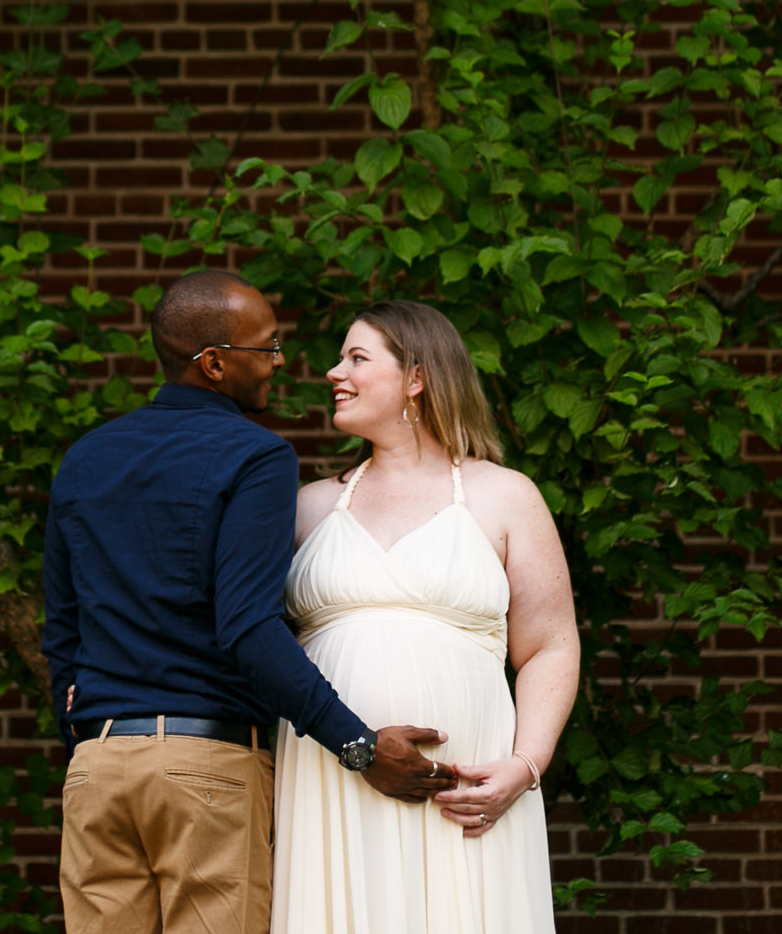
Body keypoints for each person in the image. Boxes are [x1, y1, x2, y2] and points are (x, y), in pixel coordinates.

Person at [43, 269, 455, 934]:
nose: (280, 362)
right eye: (265, 348)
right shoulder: (255, 456)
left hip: (97, 767)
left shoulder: (85, 458)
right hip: (206, 767)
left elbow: (60, 631)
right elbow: (248, 628)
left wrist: (86, 736)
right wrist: (357, 744)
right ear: (213, 362)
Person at [273, 300, 581, 933]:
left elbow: (550, 645)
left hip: (466, 791)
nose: (335, 372)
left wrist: (525, 767)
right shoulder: (307, 507)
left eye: (357, 358)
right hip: (329, 777)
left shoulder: (505, 496)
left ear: (416, 377)